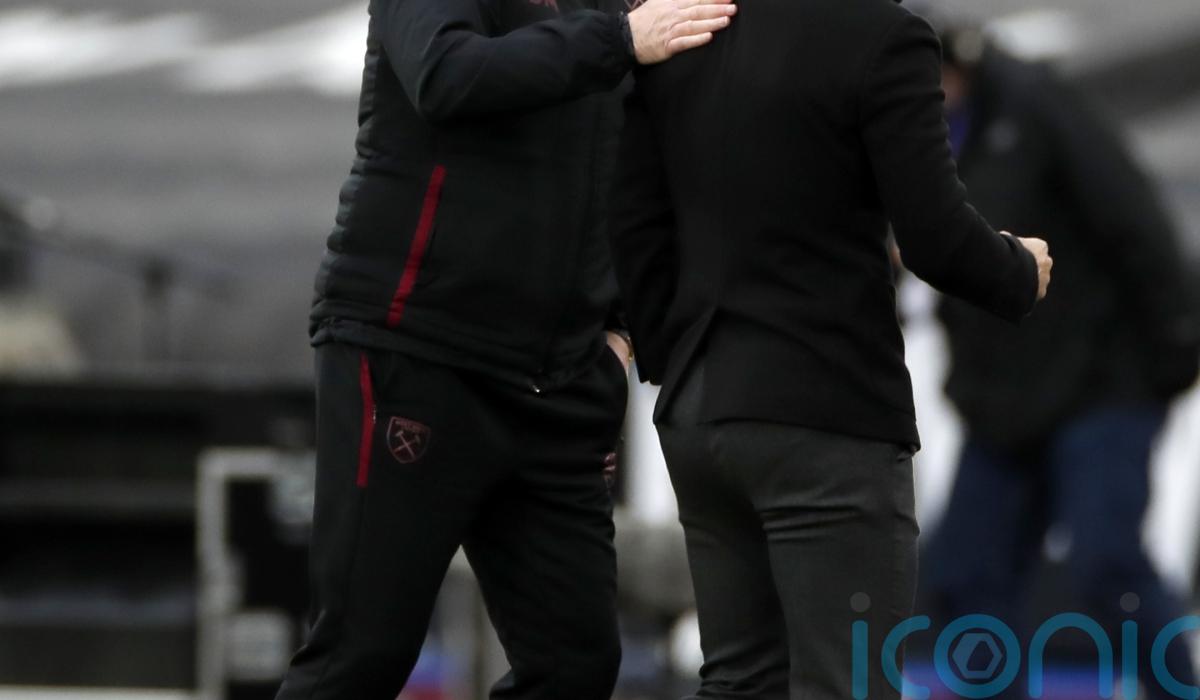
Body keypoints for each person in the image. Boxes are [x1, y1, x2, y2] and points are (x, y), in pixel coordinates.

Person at [274, 0, 738, 698]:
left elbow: (644, 162)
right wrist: (619, 39)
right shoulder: (614, 28)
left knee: (576, 666)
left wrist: (620, 332)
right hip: (418, 352)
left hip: (557, 380)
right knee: (360, 657)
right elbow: (445, 75)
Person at [608, 0, 1052, 696]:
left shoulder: (687, 25)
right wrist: (1019, 269)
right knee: (846, 683)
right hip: (825, 412)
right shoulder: (884, 35)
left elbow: (635, 219)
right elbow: (934, 236)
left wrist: (677, 359)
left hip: (700, 410)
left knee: (738, 681)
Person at [923, 21, 1200, 698]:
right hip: (1003, 397)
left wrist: (1176, 342)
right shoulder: (914, 138)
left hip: (1102, 381)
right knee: (966, 575)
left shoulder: (1035, 105)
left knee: (1108, 562)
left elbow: (1134, 216)